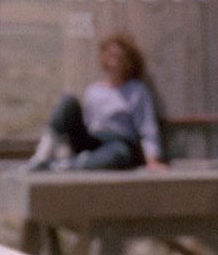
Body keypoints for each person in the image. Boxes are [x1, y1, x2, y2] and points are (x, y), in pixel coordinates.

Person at [27, 32, 169, 172]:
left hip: (117, 142)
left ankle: (70, 165)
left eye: (120, 58)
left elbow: (146, 127)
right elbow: (88, 122)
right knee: (68, 101)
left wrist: (152, 160)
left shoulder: (136, 90)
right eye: (111, 56)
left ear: (128, 62)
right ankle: (42, 156)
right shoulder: (93, 91)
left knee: (119, 155)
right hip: (93, 138)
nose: (114, 63)